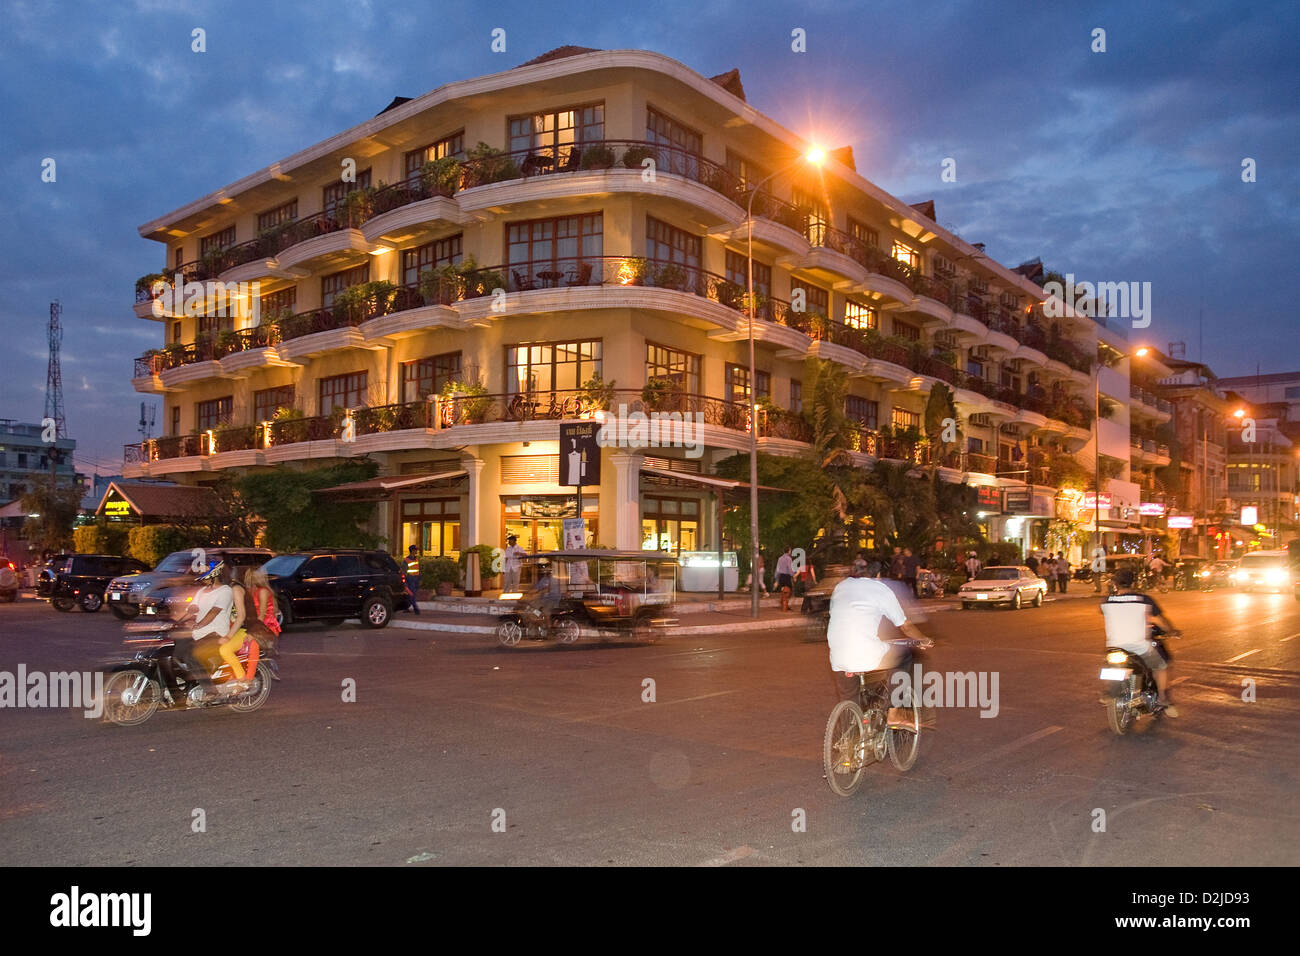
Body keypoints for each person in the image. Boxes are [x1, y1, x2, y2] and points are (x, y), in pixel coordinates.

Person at [827, 562, 933, 729]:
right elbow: (905, 626)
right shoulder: (881, 589)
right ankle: (893, 713)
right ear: (878, 575)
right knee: (904, 656)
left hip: (838, 655)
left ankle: (849, 747)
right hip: (866, 653)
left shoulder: (841, 586)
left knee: (849, 697)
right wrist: (923, 639)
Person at [1100, 568, 1180, 715]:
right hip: (1140, 647)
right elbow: (1162, 619)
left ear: (1115, 584)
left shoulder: (1106, 601)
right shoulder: (1144, 600)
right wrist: (1172, 630)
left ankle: (1109, 692)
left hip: (1114, 647)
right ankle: (1162, 699)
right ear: (1134, 583)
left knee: (1108, 664)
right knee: (1161, 666)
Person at [242, 566, 279, 655]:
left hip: (264, 626)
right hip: (254, 623)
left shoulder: (263, 591)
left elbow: (262, 614)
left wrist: (253, 632)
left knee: (251, 650)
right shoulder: (248, 590)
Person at [775, 546, 795, 612]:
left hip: (781, 576)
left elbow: (777, 569)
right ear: (789, 551)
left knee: (784, 591)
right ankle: (784, 605)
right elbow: (790, 568)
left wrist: (777, 579)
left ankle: (784, 604)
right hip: (787, 576)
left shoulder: (780, 558)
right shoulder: (788, 559)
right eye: (790, 550)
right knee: (789, 591)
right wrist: (793, 575)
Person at [404, 545, 422, 615]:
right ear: (412, 551)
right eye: (415, 550)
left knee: (412, 594)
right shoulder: (406, 560)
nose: (416, 551)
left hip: (416, 578)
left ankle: (406, 607)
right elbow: (404, 571)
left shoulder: (416, 559)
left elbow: (418, 569)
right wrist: (405, 581)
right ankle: (416, 608)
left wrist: (419, 578)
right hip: (410, 579)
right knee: (412, 594)